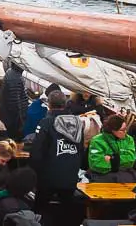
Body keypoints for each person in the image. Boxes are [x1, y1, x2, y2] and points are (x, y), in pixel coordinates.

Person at [29, 90, 84, 226]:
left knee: (39, 209)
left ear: (49, 104)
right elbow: (81, 150)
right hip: (70, 177)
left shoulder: (46, 123)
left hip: (48, 177)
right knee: (67, 212)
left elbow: (37, 152)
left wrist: (34, 174)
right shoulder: (78, 124)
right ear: (65, 104)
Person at [87, 114, 136, 181]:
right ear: (113, 130)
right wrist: (120, 161)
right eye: (122, 130)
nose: (125, 132)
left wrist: (111, 159)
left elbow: (131, 159)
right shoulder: (97, 141)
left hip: (123, 175)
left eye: (126, 129)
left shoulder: (129, 139)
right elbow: (96, 164)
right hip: (103, 176)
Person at [0, 61, 30, 141]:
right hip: (12, 120)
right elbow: (14, 103)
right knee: (15, 139)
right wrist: (20, 122)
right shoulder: (15, 78)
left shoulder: (12, 73)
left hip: (8, 116)